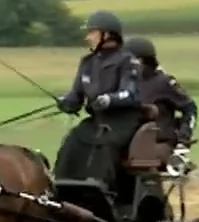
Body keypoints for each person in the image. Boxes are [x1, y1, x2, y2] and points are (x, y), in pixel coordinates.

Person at [53, 10, 142, 198]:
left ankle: (104, 191)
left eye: (91, 32)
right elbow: (76, 96)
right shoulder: (87, 63)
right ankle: (61, 187)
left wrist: (110, 99)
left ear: (107, 35)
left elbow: (131, 93)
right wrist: (65, 102)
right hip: (97, 120)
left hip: (123, 122)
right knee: (73, 140)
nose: (87, 37)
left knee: (104, 143)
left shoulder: (128, 61)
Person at [123, 36, 197, 169]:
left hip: (158, 143)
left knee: (138, 159)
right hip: (128, 143)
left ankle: (150, 190)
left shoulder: (163, 82)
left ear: (142, 60)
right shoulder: (126, 83)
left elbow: (189, 108)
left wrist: (183, 141)